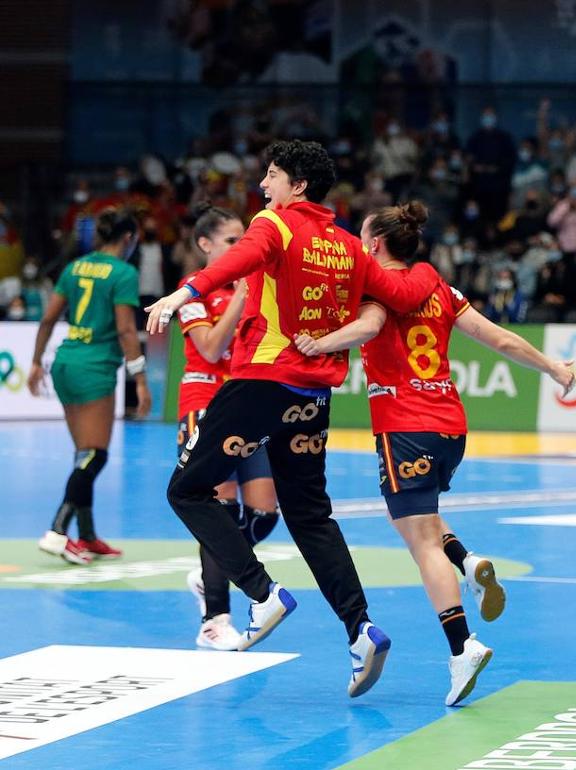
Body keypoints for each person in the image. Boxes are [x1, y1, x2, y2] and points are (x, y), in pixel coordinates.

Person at [144, 139, 441, 698]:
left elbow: (232, 261)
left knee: (187, 491)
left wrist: (186, 289)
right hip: (313, 395)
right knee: (310, 515)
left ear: (297, 185)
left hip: (261, 381)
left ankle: (260, 593)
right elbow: (402, 291)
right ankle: (361, 630)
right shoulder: (351, 247)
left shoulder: (276, 225)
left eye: (273, 175)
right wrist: (428, 272)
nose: (264, 185)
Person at [291, 202, 576, 705]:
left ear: (376, 244)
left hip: (404, 424)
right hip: (449, 424)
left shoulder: (377, 289)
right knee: (421, 521)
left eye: (362, 237)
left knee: (420, 542)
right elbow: (499, 338)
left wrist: (318, 344)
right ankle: (467, 562)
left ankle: (462, 646)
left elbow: (367, 328)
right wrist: (551, 367)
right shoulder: (442, 289)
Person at [175, 204, 281, 651]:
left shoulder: (255, 286)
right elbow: (212, 346)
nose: (242, 248)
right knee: (218, 508)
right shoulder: (191, 290)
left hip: (244, 404)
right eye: (232, 241)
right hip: (204, 405)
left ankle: (209, 569)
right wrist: (239, 294)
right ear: (205, 244)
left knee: (264, 514)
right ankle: (214, 620)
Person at [32, 208, 151, 564]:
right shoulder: (124, 273)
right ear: (128, 238)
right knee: (95, 455)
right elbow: (126, 330)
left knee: (83, 453)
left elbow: (49, 317)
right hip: (95, 367)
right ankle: (57, 531)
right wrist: (141, 380)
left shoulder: (75, 267)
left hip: (65, 363)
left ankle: (86, 536)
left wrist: (37, 361)